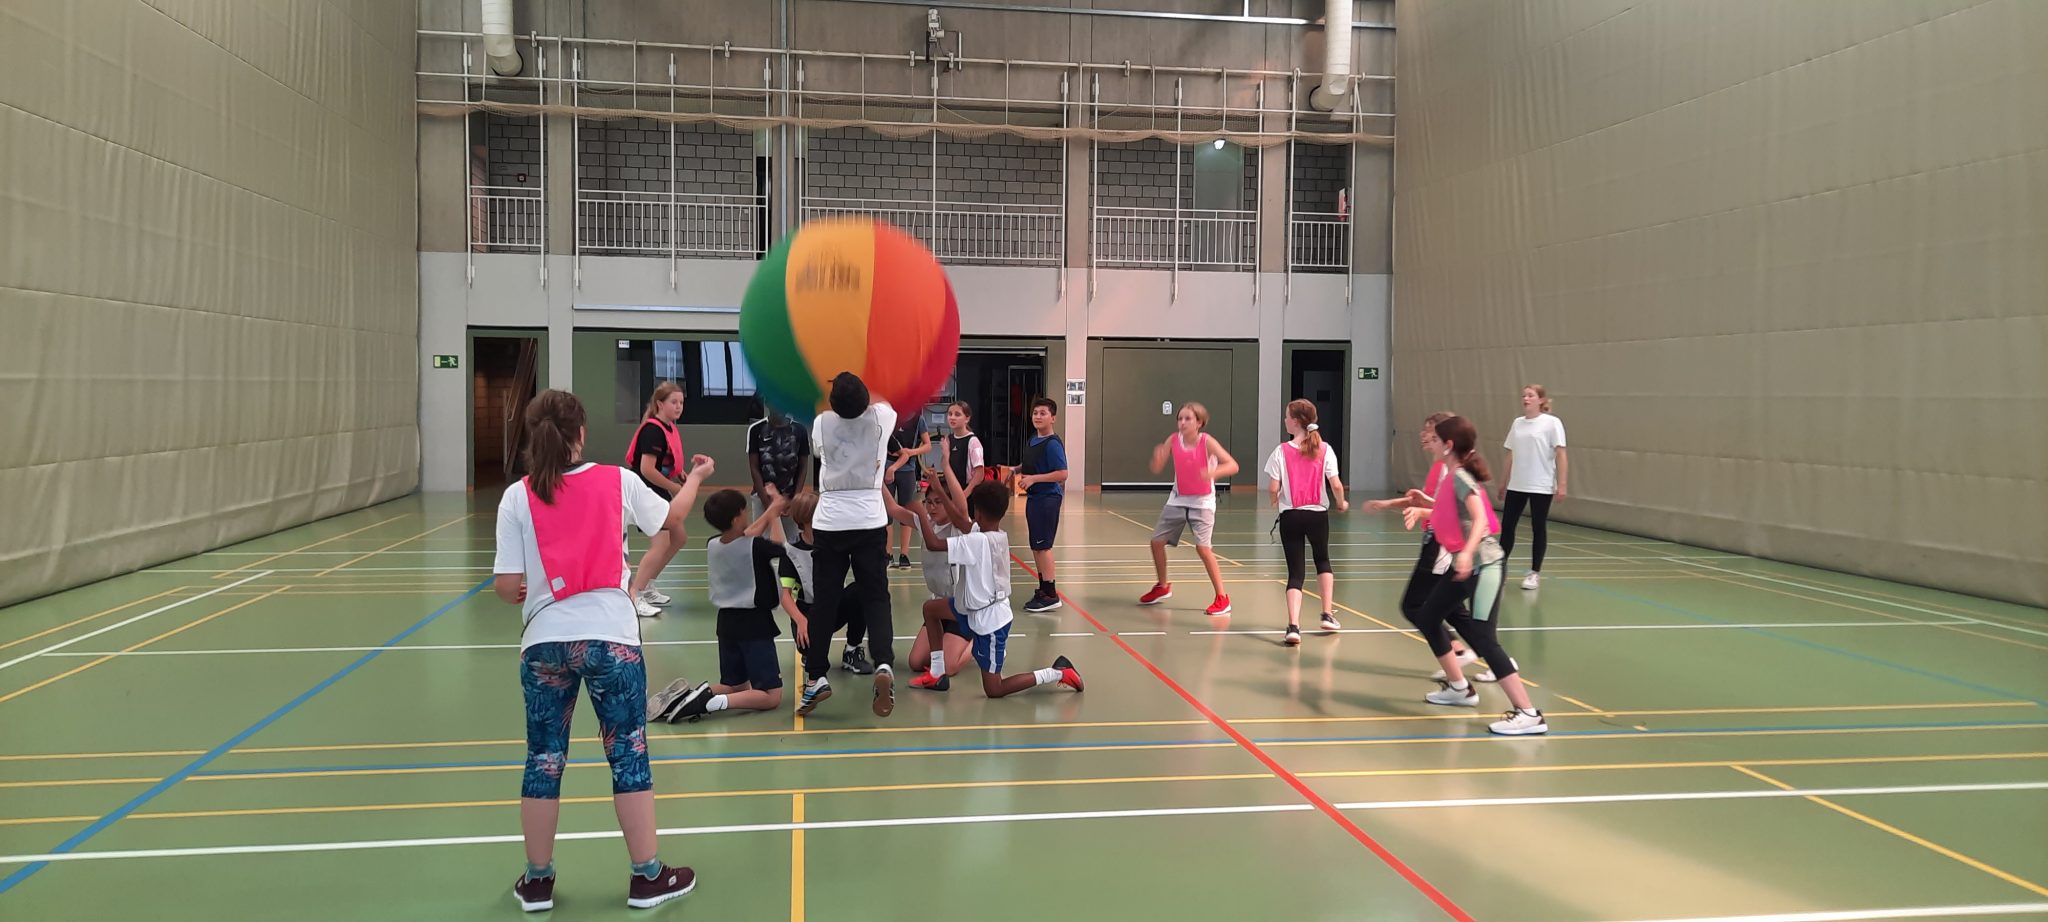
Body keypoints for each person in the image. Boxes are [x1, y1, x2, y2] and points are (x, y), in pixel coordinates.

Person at [492, 389, 706, 912]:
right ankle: (647, 876)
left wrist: (527, 592)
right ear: (581, 433)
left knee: (544, 758)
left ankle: (537, 881)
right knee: (627, 751)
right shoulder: (617, 480)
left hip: (544, 642)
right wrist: (697, 477)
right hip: (612, 639)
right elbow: (671, 518)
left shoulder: (517, 496)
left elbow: (507, 585)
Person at [1408, 416, 1547, 736]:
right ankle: (1459, 689)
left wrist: (1467, 552)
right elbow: (1446, 513)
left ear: (1448, 445)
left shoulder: (1461, 477)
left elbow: (1481, 519)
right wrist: (1416, 505)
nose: (1430, 442)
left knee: (1484, 638)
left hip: (1485, 566)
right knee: (1427, 616)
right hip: (1466, 567)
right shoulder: (1451, 475)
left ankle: (1529, 713)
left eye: (1436, 438)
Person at [907, 480, 1084, 697]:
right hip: (969, 608)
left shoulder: (976, 541)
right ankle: (937, 673)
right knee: (931, 609)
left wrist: (920, 512)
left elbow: (934, 544)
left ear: (978, 513)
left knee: (994, 689)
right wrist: (939, 489)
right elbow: (961, 521)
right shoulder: (995, 534)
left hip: (989, 622)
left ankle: (1058, 672)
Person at [797, 373, 900, 718]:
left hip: (830, 522)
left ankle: (816, 676)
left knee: (825, 602)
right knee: (876, 597)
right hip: (870, 519)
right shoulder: (881, 418)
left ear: (834, 403)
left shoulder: (821, 423)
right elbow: (881, 398)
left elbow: (821, 441)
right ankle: (883, 662)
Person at [655, 488, 804, 722]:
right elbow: (779, 545)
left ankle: (684, 697)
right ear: (736, 518)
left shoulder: (713, 544)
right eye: (744, 511)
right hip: (754, 625)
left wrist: (770, 510)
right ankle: (710, 703)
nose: (747, 515)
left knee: (735, 685)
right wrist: (774, 514)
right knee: (771, 696)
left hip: (726, 624)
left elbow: (745, 536)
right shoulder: (755, 546)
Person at [1363, 412, 1490, 680]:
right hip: (1437, 539)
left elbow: (1452, 511)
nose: (1424, 436)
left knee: (1417, 606)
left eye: (1431, 432)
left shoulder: (1452, 471)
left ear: (1445, 439)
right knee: (1452, 609)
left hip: (1442, 545)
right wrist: (1387, 504)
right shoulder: (1439, 467)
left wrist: (1422, 513)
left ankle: (1462, 661)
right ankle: (1488, 657)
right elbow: (1428, 501)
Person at [1137, 402, 1239, 617]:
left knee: (1203, 549)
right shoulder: (1173, 440)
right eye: (1180, 419)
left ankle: (1222, 598)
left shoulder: (1207, 442)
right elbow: (1156, 468)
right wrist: (1157, 458)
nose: (1182, 423)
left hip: (1202, 503)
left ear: (1199, 422)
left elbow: (1232, 465)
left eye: (1187, 419)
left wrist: (1211, 473)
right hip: (1177, 499)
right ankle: (1162, 586)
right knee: (1156, 542)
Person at [1263, 399, 1347, 645]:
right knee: (1322, 560)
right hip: (1317, 515)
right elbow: (1336, 484)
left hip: (1291, 516)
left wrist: (1275, 500)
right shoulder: (1325, 449)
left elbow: (1273, 488)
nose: (1284, 420)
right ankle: (1327, 614)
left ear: (1296, 421)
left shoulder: (1281, 451)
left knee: (1295, 572)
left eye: (1287, 416)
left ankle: (1293, 626)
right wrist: (1341, 502)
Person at [625, 382, 686, 618]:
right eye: (674, 402)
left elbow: (664, 461)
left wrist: (679, 474)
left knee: (679, 537)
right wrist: (675, 488)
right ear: (660, 404)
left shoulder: (668, 428)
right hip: (644, 490)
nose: (679, 406)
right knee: (660, 544)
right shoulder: (653, 431)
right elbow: (647, 469)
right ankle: (635, 594)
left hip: (656, 489)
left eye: (681, 402)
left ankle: (648, 585)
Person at [1499, 384, 1568, 590]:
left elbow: (1561, 454)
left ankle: (1534, 573)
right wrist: (1503, 482)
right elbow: (1510, 454)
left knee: (1538, 527)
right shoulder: (1517, 423)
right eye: (1524, 395)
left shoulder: (1552, 423)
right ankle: (1499, 569)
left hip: (1541, 484)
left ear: (1541, 400)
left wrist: (1562, 483)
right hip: (1517, 484)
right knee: (1507, 526)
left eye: (1530, 395)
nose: (1526, 399)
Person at [1013, 397, 1069, 613]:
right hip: (1035, 498)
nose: (1038, 416)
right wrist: (1016, 469)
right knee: (1036, 546)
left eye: (1043, 413)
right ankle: (1043, 589)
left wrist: (1034, 479)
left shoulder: (1052, 444)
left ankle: (1051, 594)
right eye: (1035, 413)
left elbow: (1062, 473)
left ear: (1052, 418)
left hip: (1047, 499)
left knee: (1043, 547)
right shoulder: (1033, 440)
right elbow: (1033, 463)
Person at [745, 402, 810, 538]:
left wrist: (795, 499)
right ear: (768, 404)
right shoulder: (756, 429)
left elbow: (803, 466)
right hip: (762, 497)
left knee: (791, 542)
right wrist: (766, 502)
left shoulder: (800, 430)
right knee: (762, 542)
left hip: (789, 498)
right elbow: (754, 467)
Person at [886, 413, 932, 570]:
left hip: (908, 470)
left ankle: (904, 554)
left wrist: (911, 452)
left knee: (906, 510)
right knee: (887, 512)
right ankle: (888, 554)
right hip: (887, 468)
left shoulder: (918, 419)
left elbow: (927, 445)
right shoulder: (889, 415)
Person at [941, 400, 985, 486]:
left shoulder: (973, 441)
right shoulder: (948, 439)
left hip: (967, 489)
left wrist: (965, 493)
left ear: (967, 418)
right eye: (950, 414)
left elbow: (979, 474)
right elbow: (945, 465)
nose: (952, 417)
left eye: (957, 414)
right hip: (952, 488)